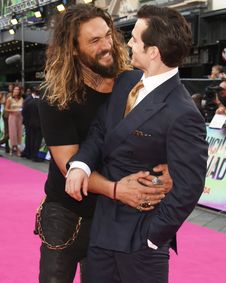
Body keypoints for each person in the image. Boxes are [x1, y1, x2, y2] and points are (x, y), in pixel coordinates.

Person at [66, 5, 208, 283]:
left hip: (140, 242)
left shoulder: (182, 112)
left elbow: (190, 186)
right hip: (103, 227)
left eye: (135, 38)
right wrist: (80, 165)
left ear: (153, 51)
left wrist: (153, 237)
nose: (128, 42)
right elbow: (99, 132)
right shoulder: (124, 82)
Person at [37, 4, 173, 283]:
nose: (107, 45)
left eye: (108, 35)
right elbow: (68, 165)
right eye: (94, 41)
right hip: (67, 214)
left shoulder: (135, 83)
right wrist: (117, 190)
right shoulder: (55, 96)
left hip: (118, 215)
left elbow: (165, 133)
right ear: (73, 49)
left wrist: (171, 169)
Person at [5, 85, 23, 156]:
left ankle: (18, 149)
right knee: (13, 133)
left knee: (19, 133)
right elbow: (6, 109)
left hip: (20, 117)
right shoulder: (9, 99)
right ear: (13, 91)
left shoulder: (21, 99)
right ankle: (12, 148)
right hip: (12, 117)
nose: (16, 91)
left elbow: (23, 108)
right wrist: (13, 110)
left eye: (18, 90)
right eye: (15, 89)